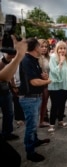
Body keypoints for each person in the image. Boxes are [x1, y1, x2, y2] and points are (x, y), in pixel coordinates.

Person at [18, 37, 51, 162]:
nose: (41, 48)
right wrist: (48, 81)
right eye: (39, 46)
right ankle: (30, 152)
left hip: (35, 97)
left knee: (33, 124)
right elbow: (33, 82)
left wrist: (44, 76)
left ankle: (35, 141)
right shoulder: (26, 60)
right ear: (35, 47)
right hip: (29, 98)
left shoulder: (34, 60)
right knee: (31, 126)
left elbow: (38, 77)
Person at [0, 35, 27, 167]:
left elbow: (4, 73)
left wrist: (6, 59)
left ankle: (7, 133)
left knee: (9, 113)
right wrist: (18, 56)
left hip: (4, 91)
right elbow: (3, 75)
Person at [47, 41, 67, 133]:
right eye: (60, 48)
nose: (62, 50)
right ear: (57, 49)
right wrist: (60, 62)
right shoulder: (53, 58)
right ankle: (52, 124)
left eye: (64, 48)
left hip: (66, 86)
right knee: (54, 105)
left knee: (62, 105)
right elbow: (53, 72)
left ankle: (60, 121)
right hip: (55, 87)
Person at [38, 39, 50, 128]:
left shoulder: (49, 57)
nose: (44, 48)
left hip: (50, 81)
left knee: (47, 100)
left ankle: (46, 116)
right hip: (41, 83)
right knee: (43, 101)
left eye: (46, 47)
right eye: (42, 46)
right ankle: (43, 118)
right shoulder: (36, 58)